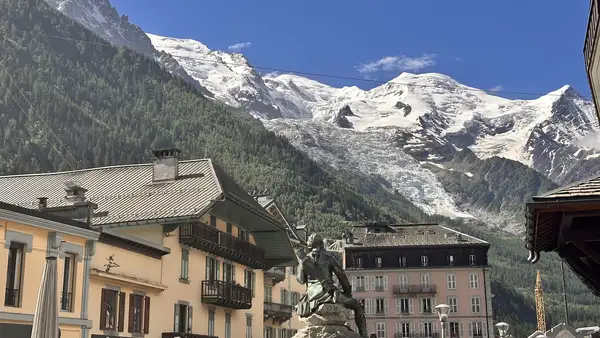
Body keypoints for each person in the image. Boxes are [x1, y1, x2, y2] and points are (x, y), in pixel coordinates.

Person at [294, 233, 367, 338]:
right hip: (328, 293)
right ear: (321, 244)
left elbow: (300, 280)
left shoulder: (304, 260)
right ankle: (364, 335)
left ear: (310, 244)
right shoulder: (328, 258)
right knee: (357, 305)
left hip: (311, 296)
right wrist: (347, 292)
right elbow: (341, 275)